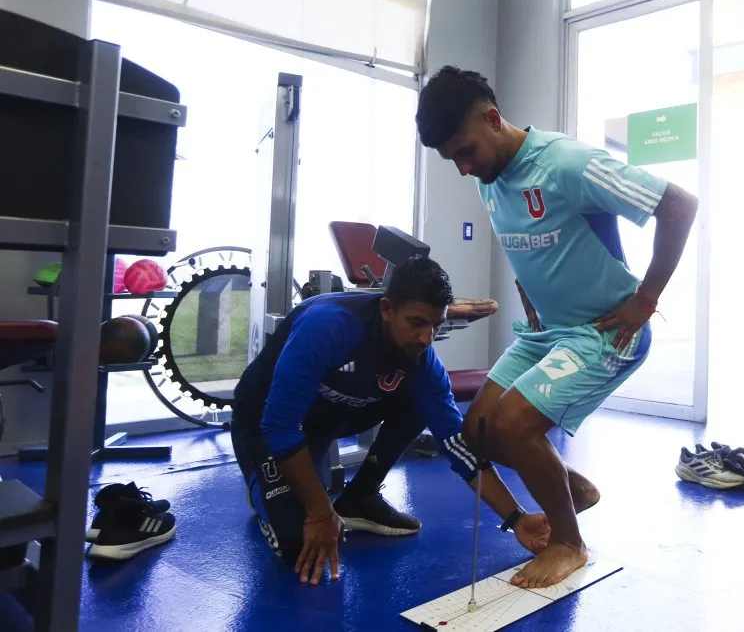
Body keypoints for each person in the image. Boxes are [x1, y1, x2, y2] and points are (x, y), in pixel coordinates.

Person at [415, 66, 699, 588]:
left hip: (607, 331)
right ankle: (576, 491)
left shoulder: (569, 163)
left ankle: (569, 545)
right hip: (548, 332)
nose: (462, 168)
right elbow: (527, 249)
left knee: (517, 426)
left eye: (465, 151)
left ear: (493, 119)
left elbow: (679, 205)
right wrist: (532, 308)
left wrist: (646, 299)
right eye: (451, 158)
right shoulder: (491, 181)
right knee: (479, 431)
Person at [230, 255, 550, 586]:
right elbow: (278, 426)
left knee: (418, 401)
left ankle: (360, 497)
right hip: (262, 423)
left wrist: (517, 518)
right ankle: (262, 483)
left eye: (435, 325)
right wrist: (321, 511)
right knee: (296, 544)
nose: (427, 338)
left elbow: (457, 444)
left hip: (327, 418)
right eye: (416, 323)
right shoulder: (329, 327)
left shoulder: (422, 361)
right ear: (387, 310)